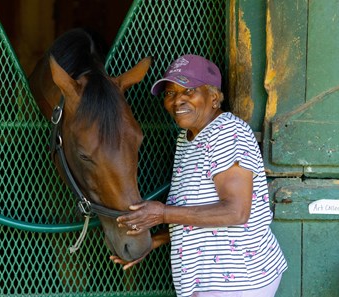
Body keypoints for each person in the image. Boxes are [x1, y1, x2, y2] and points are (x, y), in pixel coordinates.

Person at [110, 54, 287, 297]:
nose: (177, 100)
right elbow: (198, 212)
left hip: (238, 281)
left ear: (213, 98)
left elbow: (235, 212)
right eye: (170, 93)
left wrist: (162, 214)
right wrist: (157, 240)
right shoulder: (188, 138)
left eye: (188, 91)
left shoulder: (227, 133)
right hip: (209, 280)